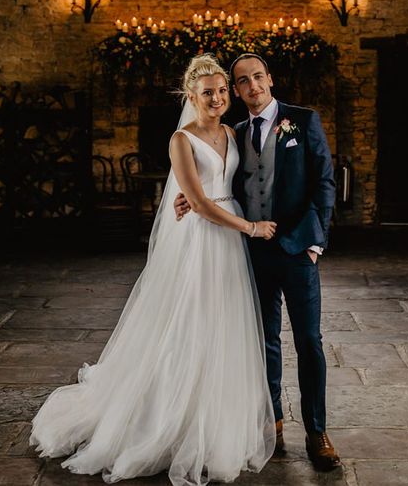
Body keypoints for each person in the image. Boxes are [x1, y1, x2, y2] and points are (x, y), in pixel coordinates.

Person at [30, 54, 277, 485]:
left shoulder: (233, 134)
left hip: (227, 244)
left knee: (223, 323)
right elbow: (198, 202)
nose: (217, 98)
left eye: (222, 91)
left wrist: (219, 208)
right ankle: (168, 418)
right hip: (201, 238)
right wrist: (249, 226)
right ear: (191, 96)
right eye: (208, 93)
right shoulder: (181, 139)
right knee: (188, 322)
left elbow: (228, 184)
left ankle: (216, 417)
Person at [174, 53, 339, 471]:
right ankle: (273, 424)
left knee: (309, 342)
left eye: (257, 77)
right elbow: (224, 183)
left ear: (270, 78)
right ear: (237, 90)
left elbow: (324, 181)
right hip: (251, 251)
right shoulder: (235, 132)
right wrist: (190, 200)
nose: (252, 86)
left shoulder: (302, 120)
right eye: (242, 81)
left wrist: (315, 242)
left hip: (299, 250)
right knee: (263, 340)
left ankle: (317, 431)